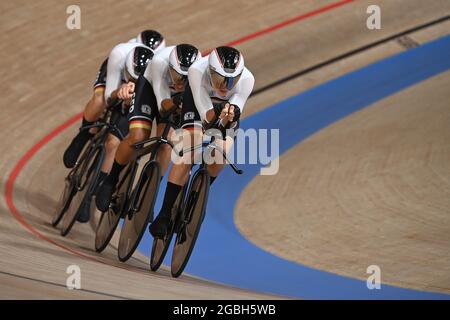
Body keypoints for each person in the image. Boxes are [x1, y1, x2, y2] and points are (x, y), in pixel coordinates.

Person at [149, 46, 255, 237]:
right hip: (198, 103)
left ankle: (196, 199)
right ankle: (164, 213)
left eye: (231, 81)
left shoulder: (247, 79)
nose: (224, 86)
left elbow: (230, 116)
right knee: (189, 150)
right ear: (210, 71)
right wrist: (220, 108)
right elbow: (206, 117)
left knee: (221, 154)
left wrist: (230, 113)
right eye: (219, 79)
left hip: (224, 110)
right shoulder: (197, 70)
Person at [95, 44, 201, 213]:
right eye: (177, 76)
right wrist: (177, 102)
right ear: (170, 67)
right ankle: (111, 178)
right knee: (138, 137)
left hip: (175, 98)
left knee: (167, 144)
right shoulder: (160, 63)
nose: (180, 82)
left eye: (185, 79)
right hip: (151, 91)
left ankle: (145, 192)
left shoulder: (198, 75)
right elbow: (162, 108)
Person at [63, 30, 165, 169]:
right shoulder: (120, 53)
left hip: (140, 77)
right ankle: (83, 135)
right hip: (117, 71)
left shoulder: (156, 69)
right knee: (99, 100)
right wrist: (118, 91)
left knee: (113, 143)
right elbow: (108, 98)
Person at [76, 43, 154, 223]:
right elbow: (107, 99)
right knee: (110, 138)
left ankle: (97, 192)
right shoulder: (119, 60)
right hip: (116, 96)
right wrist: (118, 94)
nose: (133, 82)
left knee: (120, 142)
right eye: (130, 78)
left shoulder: (150, 79)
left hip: (135, 105)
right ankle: (89, 195)